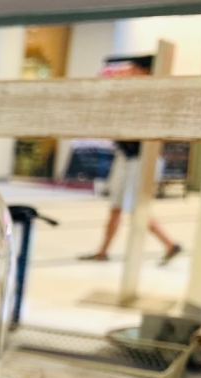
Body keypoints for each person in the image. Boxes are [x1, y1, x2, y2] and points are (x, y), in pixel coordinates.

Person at [80, 56, 181, 265]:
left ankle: (170, 244)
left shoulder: (153, 97)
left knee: (138, 209)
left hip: (142, 158)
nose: (129, 72)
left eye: (134, 69)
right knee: (117, 206)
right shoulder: (131, 94)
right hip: (126, 155)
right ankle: (103, 250)